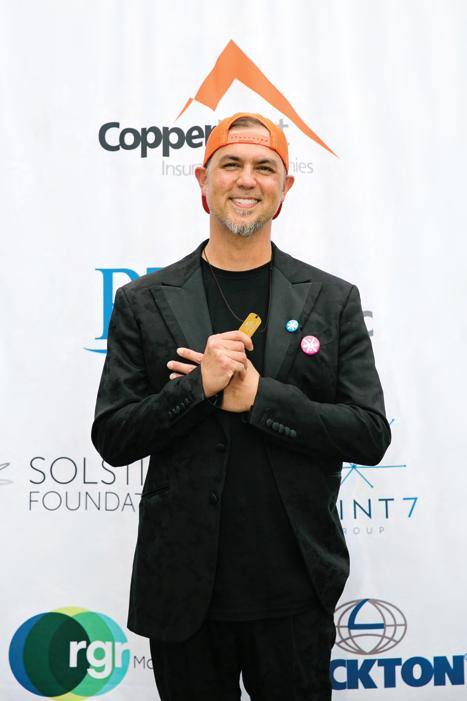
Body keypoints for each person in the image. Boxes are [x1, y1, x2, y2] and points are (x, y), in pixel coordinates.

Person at [92, 112, 391, 700]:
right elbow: (114, 437)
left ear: (286, 187)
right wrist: (197, 388)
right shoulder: (143, 301)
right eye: (230, 164)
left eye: (265, 167)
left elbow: (369, 434)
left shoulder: (332, 300)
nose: (247, 179)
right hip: (183, 594)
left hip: (294, 589)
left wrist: (260, 398)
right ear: (203, 181)